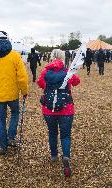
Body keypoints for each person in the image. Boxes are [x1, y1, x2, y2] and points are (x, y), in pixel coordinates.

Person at [37, 49, 80, 177]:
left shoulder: (45, 72)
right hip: (66, 108)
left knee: (52, 133)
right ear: (62, 58)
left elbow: (40, 83)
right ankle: (66, 156)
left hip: (49, 108)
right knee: (65, 135)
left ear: (51, 57)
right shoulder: (67, 72)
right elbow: (77, 82)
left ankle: (54, 155)